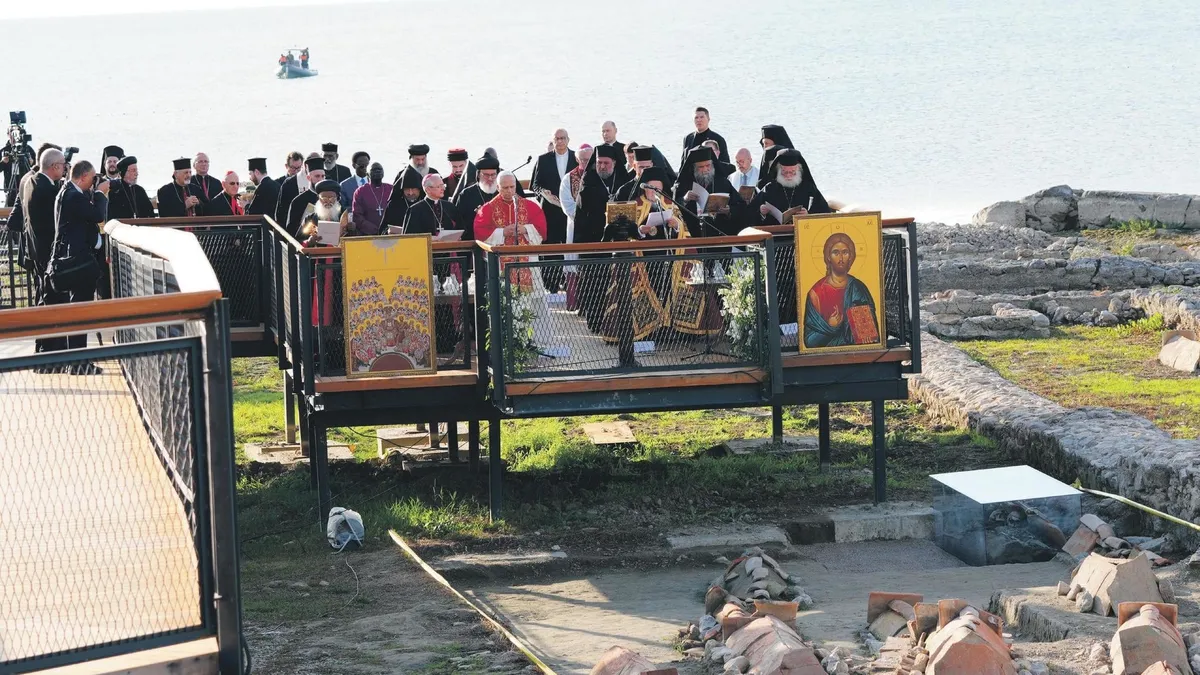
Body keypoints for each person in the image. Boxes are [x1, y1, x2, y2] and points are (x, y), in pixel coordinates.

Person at [44, 160, 109, 369]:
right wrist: (99, 194)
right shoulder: (73, 196)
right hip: (77, 262)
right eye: (91, 179)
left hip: (73, 260)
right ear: (82, 177)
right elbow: (97, 215)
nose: (92, 183)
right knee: (80, 310)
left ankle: (78, 361)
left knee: (77, 309)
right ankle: (79, 363)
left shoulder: (67, 192)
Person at [473, 171, 547, 295]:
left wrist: (526, 229)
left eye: (512, 187)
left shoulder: (530, 206)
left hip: (527, 260)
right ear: (498, 187)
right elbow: (480, 234)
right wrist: (502, 232)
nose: (509, 191)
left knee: (530, 300)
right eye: (505, 187)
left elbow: (541, 230)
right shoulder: (487, 209)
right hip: (501, 261)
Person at [803, 232, 880, 348]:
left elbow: (869, 334)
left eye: (845, 252)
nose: (841, 257)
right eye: (836, 252)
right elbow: (810, 341)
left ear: (851, 256)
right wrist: (831, 326)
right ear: (828, 256)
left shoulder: (858, 288)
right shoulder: (816, 293)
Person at [530, 128, 575, 292]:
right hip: (550, 210)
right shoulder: (543, 159)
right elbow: (534, 185)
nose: (560, 141)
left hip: (571, 211)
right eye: (557, 138)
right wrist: (543, 192)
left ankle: (569, 284)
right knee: (551, 248)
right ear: (553, 140)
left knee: (570, 245)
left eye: (563, 138)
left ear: (568, 140)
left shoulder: (576, 158)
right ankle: (551, 285)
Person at [673, 145, 746, 237]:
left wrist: (729, 210)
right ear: (694, 168)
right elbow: (673, 208)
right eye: (701, 167)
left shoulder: (722, 183)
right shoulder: (684, 184)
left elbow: (740, 206)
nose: (705, 170)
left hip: (719, 233)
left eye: (708, 166)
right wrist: (685, 199)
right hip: (693, 234)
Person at [753, 148, 830, 224]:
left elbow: (825, 212)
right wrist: (761, 212)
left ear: (799, 169)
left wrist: (808, 215)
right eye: (785, 172)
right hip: (775, 234)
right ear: (779, 169)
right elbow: (751, 213)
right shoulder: (769, 188)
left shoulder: (809, 188)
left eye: (792, 172)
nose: (788, 175)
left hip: (802, 232)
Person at [451, 154, 499, 238]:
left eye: (493, 175)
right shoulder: (466, 194)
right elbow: (459, 223)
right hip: (473, 240)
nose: (490, 178)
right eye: (486, 175)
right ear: (478, 174)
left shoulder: (501, 192)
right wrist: (478, 217)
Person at [285, 157, 328, 233]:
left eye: (323, 176)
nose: (321, 180)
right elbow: (291, 230)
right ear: (308, 178)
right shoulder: (298, 201)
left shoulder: (330, 198)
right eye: (317, 176)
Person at [349, 162, 392, 235]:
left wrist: (387, 229)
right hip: (367, 234)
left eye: (380, 169)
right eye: (374, 170)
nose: (377, 171)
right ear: (367, 174)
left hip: (389, 233)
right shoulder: (360, 191)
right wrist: (375, 230)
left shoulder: (391, 189)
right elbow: (357, 215)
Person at [274, 150, 306, 225]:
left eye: (299, 168)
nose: (296, 172)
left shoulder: (305, 183)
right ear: (286, 166)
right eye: (293, 168)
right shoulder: (278, 183)